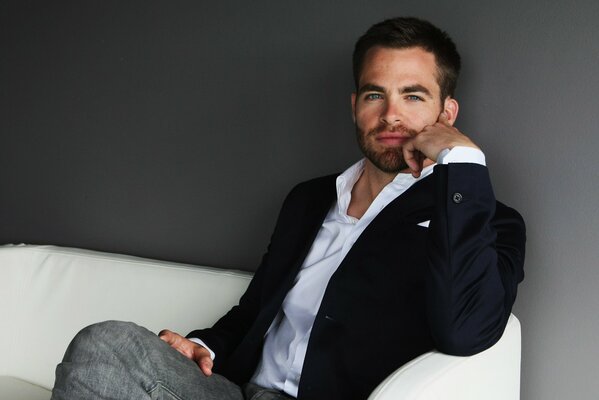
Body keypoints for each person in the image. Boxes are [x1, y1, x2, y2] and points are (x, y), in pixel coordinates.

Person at [51, 16, 526, 400]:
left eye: (413, 96)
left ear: (446, 114)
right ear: (355, 105)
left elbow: (465, 331)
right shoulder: (309, 199)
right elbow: (255, 310)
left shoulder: (490, 221)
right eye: (374, 95)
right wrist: (203, 345)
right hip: (238, 391)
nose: (390, 115)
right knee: (105, 343)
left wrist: (462, 160)